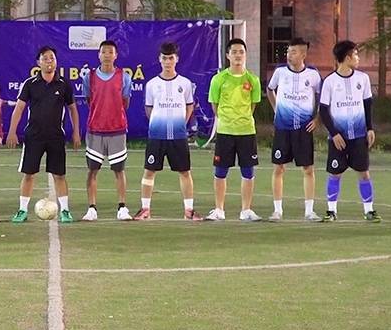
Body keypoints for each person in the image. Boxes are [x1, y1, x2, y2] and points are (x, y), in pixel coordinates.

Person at [7, 45, 81, 224]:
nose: (49, 61)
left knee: (59, 175)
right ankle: (22, 210)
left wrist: (77, 132)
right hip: (34, 136)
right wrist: (12, 131)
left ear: (56, 61)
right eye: (45, 58)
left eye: (52, 58)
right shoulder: (30, 84)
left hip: (56, 137)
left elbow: (72, 109)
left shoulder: (64, 84)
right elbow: (19, 108)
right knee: (29, 174)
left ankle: (65, 211)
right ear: (38, 62)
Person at [134, 42, 199, 221]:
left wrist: (181, 124)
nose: (167, 61)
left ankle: (189, 211)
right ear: (159, 59)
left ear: (176, 59)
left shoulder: (185, 84)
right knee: (149, 170)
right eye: (164, 58)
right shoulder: (152, 84)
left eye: (171, 58)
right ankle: (145, 209)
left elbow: (189, 106)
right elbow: (149, 109)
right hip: (156, 135)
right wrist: (158, 122)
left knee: (185, 171)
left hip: (178, 136)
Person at [319, 40, 379, 222]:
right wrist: (334, 133)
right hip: (339, 138)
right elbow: (323, 111)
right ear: (346, 58)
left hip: (359, 136)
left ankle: (369, 210)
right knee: (335, 173)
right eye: (356, 54)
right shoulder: (329, 82)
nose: (358, 58)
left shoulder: (363, 79)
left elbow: (367, 105)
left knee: (364, 172)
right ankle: (331, 211)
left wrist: (370, 128)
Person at [266, 38, 323, 222]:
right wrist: (276, 110)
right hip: (283, 128)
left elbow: (323, 98)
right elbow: (270, 90)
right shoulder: (280, 72)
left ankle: (309, 211)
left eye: (294, 52)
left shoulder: (313, 75)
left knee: (308, 169)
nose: (289, 55)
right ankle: (277, 210)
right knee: (278, 168)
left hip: (304, 129)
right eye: (289, 51)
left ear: (303, 54)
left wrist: (317, 119)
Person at [206, 38, 262, 222]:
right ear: (228, 55)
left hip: (246, 131)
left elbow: (253, 105)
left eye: (241, 52)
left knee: (248, 172)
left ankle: (246, 210)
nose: (238, 55)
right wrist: (227, 119)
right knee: (221, 171)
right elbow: (215, 105)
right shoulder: (219, 79)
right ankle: (219, 209)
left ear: (246, 55)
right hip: (225, 131)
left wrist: (242, 118)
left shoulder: (252, 79)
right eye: (235, 52)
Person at [80, 40, 133, 221]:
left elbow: (125, 102)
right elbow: (89, 100)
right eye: (104, 52)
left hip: (117, 130)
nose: (107, 55)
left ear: (116, 55)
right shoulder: (90, 77)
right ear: (99, 55)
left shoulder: (124, 77)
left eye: (111, 52)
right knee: (93, 170)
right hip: (95, 130)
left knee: (119, 170)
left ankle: (122, 207)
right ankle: (92, 208)